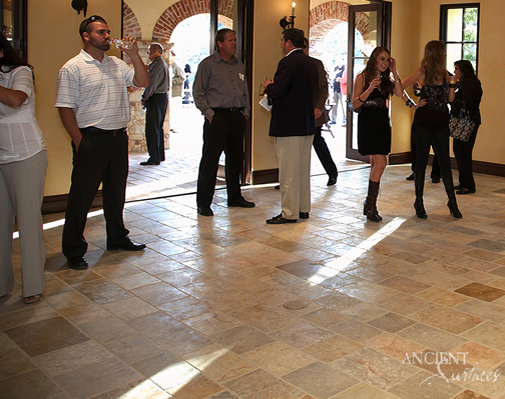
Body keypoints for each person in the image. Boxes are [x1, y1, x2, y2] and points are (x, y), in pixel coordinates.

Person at [55, 15, 150, 270]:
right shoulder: (73, 67)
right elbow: (64, 107)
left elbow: (143, 81)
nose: (106, 36)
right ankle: (74, 250)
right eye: (100, 32)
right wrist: (78, 140)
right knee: (82, 198)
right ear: (86, 36)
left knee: (116, 193)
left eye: (107, 31)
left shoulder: (117, 64)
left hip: (118, 138)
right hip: (91, 139)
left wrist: (134, 54)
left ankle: (117, 238)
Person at [0, 32, 46, 304]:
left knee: (27, 222)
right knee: (1, 223)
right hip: (1, 156)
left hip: (27, 154)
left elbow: (16, 100)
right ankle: (2, 283)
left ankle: (32, 286)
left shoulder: (21, 72)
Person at [193, 28, 254, 217]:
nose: (234, 43)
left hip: (237, 116)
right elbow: (198, 92)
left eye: (235, 40)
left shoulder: (238, 64)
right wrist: (209, 113)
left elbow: (244, 89)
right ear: (220, 43)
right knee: (210, 161)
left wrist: (246, 110)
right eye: (230, 40)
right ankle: (204, 203)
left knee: (235, 159)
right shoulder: (208, 65)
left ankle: (234, 196)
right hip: (217, 118)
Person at [402, 40, 462, 219]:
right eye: (443, 52)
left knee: (445, 161)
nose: (445, 54)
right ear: (436, 53)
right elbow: (399, 87)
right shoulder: (421, 72)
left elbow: (450, 99)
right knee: (421, 162)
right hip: (423, 122)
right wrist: (411, 104)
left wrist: (451, 84)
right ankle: (419, 201)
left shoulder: (444, 73)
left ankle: (452, 201)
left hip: (441, 121)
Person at [264, 28, 318, 224]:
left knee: (288, 171)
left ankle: (289, 212)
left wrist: (268, 85)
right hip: (306, 123)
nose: (280, 44)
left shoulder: (287, 62)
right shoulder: (311, 63)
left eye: (281, 41)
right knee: (303, 169)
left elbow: (278, 91)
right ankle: (303, 208)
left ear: (288, 42)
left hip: (288, 124)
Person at [351, 47, 403, 222]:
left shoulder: (386, 80)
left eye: (388, 60)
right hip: (368, 123)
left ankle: (369, 204)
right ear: (374, 59)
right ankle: (371, 205)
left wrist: (395, 72)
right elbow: (354, 104)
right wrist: (368, 90)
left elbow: (400, 93)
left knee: (377, 163)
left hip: (382, 124)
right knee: (381, 163)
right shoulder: (362, 77)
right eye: (382, 59)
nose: (385, 63)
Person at [303, 39, 338, 186]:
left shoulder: (316, 64)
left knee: (317, 142)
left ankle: (332, 173)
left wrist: (318, 107)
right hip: (297, 112)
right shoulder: (288, 63)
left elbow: (323, 88)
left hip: (313, 112)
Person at [451, 60, 483, 195]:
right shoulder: (463, 82)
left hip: (468, 121)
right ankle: (463, 182)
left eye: (457, 69)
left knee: (463, 152)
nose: (455, 72)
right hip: (463, 121)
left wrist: (452, 99)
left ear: (464, 70)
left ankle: (469, 185)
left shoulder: (471, 83)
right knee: (459, 151)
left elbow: (467, 103)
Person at [140, 43, 169, 166]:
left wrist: (145, 97)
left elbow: (151, 84)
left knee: (152, 128)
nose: (147, 53)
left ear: (154, 51)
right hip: (161, 98)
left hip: (156, 98)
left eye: (148, 51)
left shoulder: (158, 64)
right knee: (158, 127)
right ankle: (159, 155)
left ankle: (154, 157)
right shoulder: (159, 64)